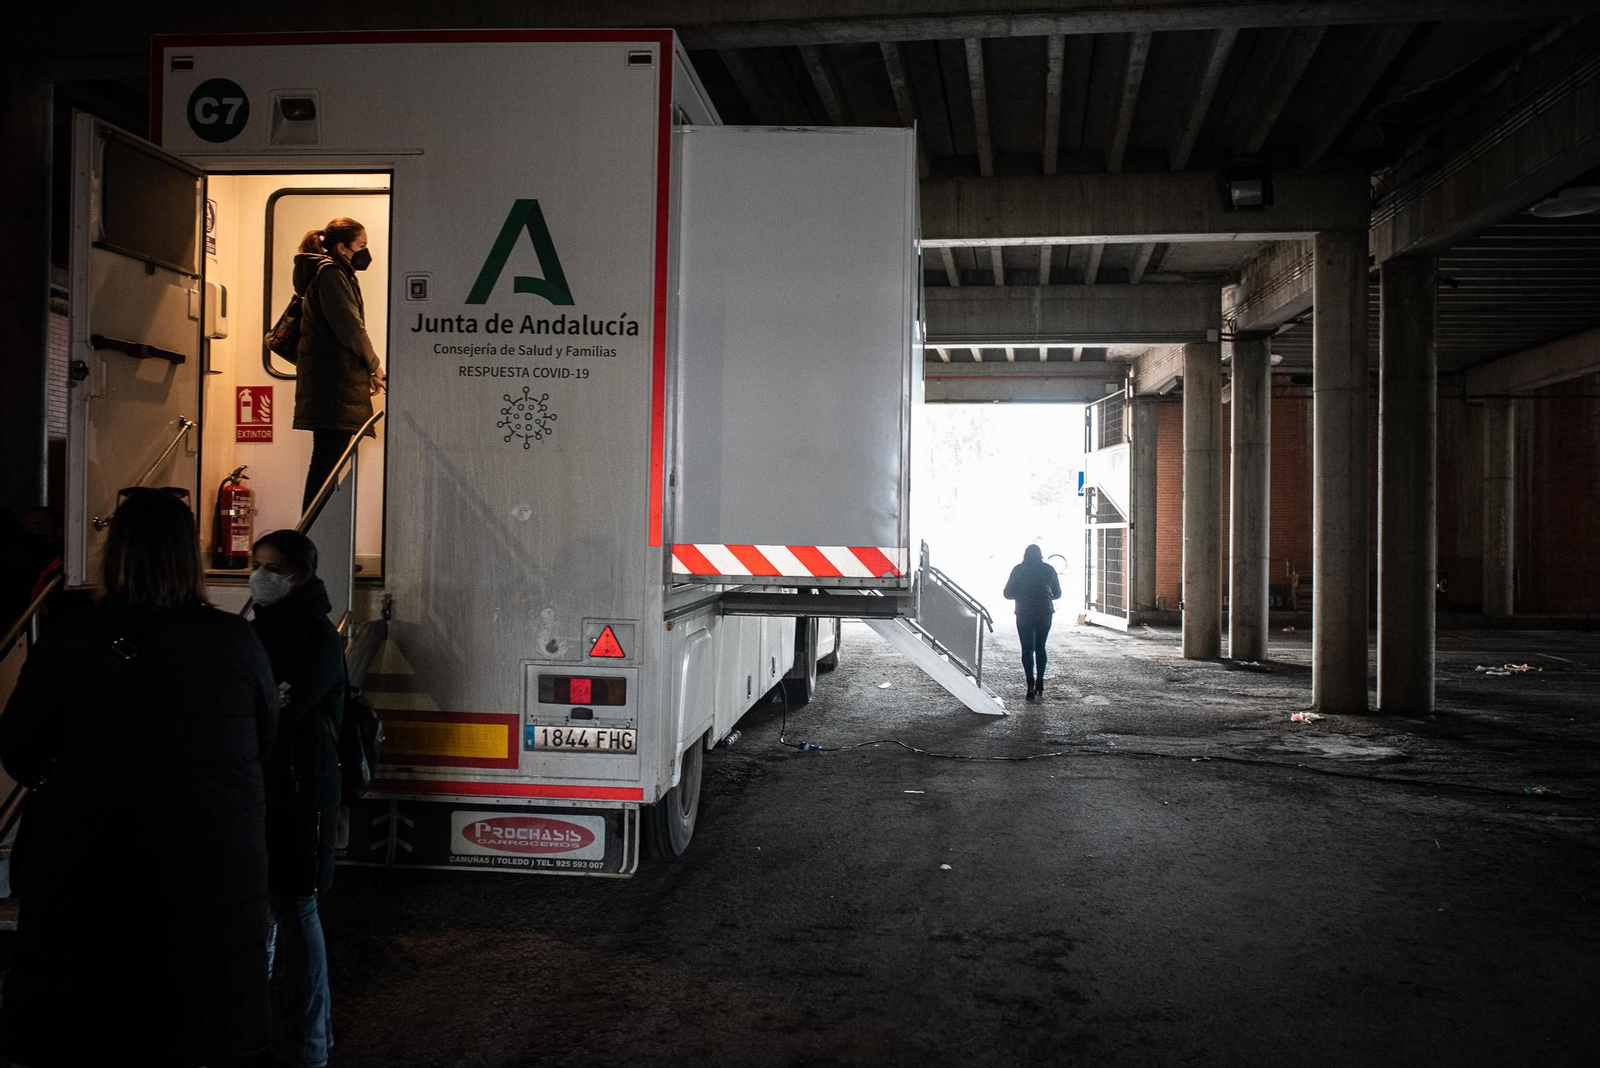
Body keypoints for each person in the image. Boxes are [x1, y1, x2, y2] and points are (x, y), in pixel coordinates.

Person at [0, 488, 277, 1066]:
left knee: (91, 1030)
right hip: (208, 876)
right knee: (191, 1032)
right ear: (184, 555)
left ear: (115, 552)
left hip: (90, 869)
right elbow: (262, 742)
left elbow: (19, 752)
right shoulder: (233, 640)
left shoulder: (70, 638)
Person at [250, 529, 345, 1068]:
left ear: (300, 575)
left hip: (300, 791)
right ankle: (302, 1034)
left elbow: (284, 715)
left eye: (270, 568)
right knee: (279, 906)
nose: (259, 577)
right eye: (255, 564)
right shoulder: (261, 629)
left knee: (297, 906)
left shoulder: (315, 636)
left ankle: (307, 1043)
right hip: (271, 786)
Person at [292, 217, 385, 515]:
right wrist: (373, 365)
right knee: (326, 466)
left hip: (334, 384)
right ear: (342, 247)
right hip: (333, 386)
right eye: (361, 246)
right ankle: (315, 542)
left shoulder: (335, 273)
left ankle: (320, 542)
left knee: (327, 464)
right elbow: (350, 328)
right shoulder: (331, 274)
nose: (364, 253)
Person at [1003, 543, 1061, 702]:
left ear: (1025, 555)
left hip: (1025, 613)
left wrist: (1021, 593)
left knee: (1027, 649)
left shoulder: (1018, 570)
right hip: (1045, 612)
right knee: (1041, 646)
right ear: (1040, 555)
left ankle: (1030, 684)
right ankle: (1040, 682)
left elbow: (1007, 593)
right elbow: (1057, 594)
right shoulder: (1049, 569)